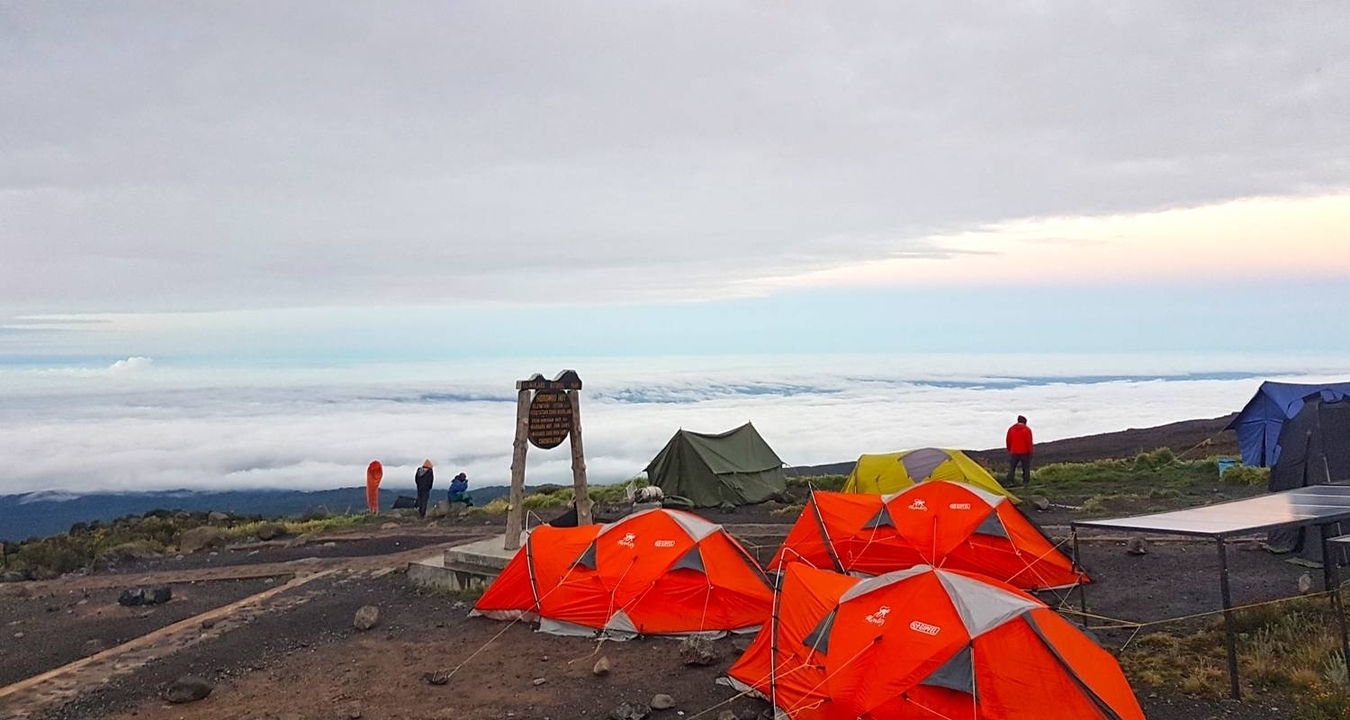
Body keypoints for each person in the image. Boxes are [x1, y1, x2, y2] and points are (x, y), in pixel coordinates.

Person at [1005, 415, 1034, 487]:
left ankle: (1010, 482)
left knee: (1012, 468)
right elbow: (1029, 442)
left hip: (1014, 451)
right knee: (1026, 468)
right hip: (1024, 452)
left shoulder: (1011, 429)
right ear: (1025, 422)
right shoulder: (1027, 430)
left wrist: (1010, 449)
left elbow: (1008, 440)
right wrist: (1030, 452)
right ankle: (1026, 483)